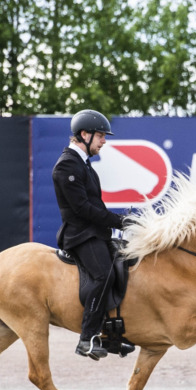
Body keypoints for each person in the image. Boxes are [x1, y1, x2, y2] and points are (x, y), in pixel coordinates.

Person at [52, 109, 125, 361]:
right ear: (84, 135)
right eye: (101, 136)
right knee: (103, 275)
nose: (104, 141)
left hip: (94, 231)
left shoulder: (84, 165)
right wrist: (119, 221)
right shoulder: (67, 166)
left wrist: (118, 222)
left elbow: (96, 206)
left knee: (123, 265)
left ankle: (112, 335)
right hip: (80, 235)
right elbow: (82, 209)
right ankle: (87, 338)